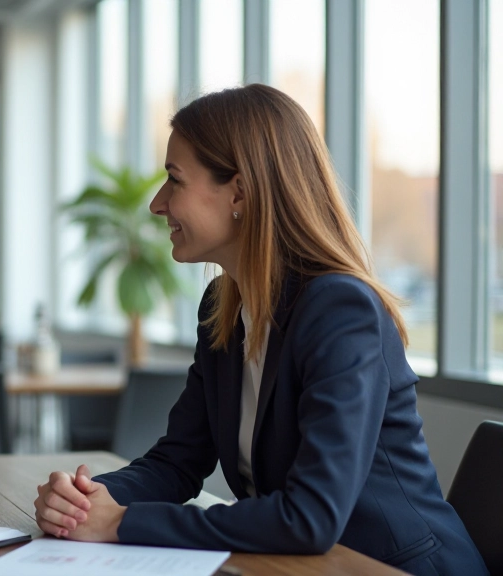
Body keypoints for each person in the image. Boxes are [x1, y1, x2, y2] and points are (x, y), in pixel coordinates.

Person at [33, 84, 487, 575]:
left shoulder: (341, 311)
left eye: (174, 180)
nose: (158, 204)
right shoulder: (222, 308)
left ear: (241, 192)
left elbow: (311, 518)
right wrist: (86, 501)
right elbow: (177, 462)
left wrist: (122, 523)